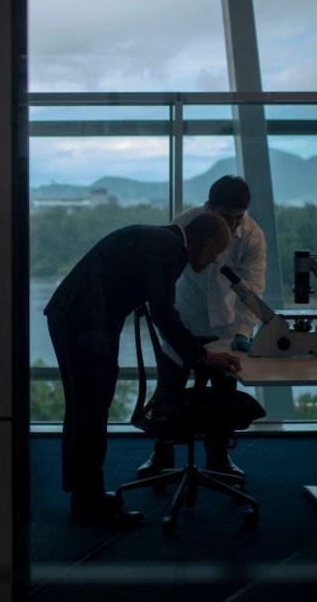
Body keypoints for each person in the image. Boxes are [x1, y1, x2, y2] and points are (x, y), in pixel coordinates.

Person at [44, 212, 243, 526]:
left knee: (82, 410)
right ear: (205, 245)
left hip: (70, 315)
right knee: (92, 411)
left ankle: (82, 493)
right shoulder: (170, 251)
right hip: (87, 322)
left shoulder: (159, 239)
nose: (213, 262)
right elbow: (164, 314)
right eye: (215, 253)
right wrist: (202, 356)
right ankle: (89, 502)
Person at [136, 175, 267, 482]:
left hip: (226, 325)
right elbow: (164, 280)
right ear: (209, 207)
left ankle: (218, 457)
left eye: (239, 218)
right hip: (184, 320)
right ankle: (163, 452)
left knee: (223, 395)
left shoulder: (253, 236)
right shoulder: (184, 226)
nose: (233, 226)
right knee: (168, 390)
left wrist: (243, 333)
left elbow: (255, 289)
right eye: (226, 217)